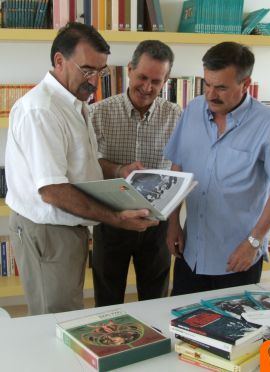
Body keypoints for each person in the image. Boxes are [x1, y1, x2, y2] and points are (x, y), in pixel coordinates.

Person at [5, 23, 157, 315]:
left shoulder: (73, 102)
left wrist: (116, 171)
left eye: (100, 72)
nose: (95, 81)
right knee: (56, 317)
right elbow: (52, 190)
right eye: (87, 70)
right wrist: (115, 218)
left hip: (67, 228)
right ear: (59, 61)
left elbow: (77, 165)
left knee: (69, 312)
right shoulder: (42, 110)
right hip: (49, 230)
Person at [164, 41, 270, 295]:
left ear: (245, 84)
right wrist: (172, 222)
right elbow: (177, 167)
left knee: (233, 331)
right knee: (181, 326)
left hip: (238, 258)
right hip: (190, 253)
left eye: (222, 88)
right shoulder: (192, 111)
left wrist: (254, 241)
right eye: (207, 84)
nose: (211, 95)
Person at [90, 40, 182, 306]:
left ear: (166, 80)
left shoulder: (176, 116)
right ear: (129, 70)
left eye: (156, 81)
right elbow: (89, 164)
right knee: (107, 300)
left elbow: (182, 165)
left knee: (156, 300)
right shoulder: (98, 113)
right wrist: (119, 169)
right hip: (111, 219)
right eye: (142, 77)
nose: (147, 87)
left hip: (157, 223)